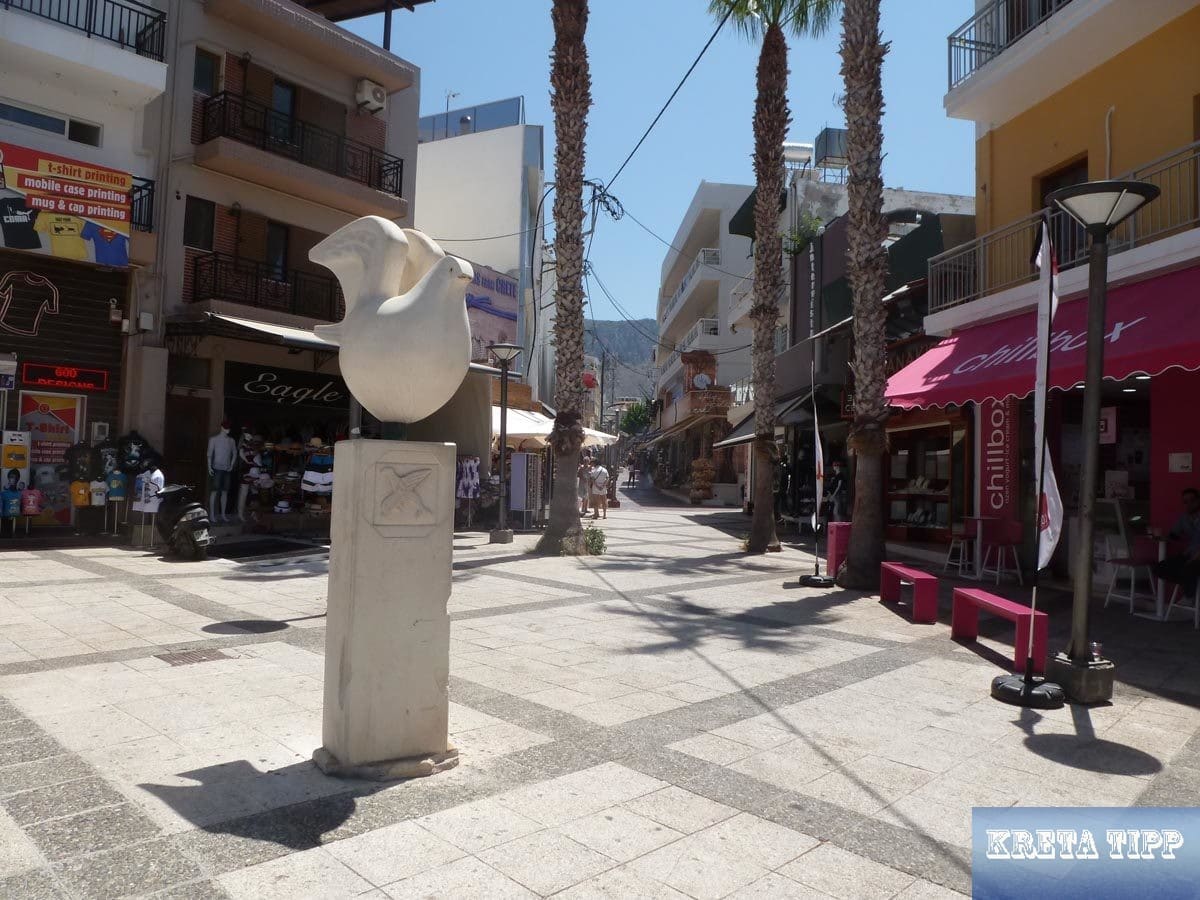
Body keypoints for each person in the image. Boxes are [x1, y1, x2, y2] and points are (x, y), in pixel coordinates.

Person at [1155, 487, 1200, 594]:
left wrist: (1194, 559)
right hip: (1189, 554)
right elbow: (1174, 535)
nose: (1189, 504)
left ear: (1198, 501)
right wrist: (1161, 537)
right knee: (1160, 567)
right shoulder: (1184, 518)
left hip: (1198, 556)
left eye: (1192, 500)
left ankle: (1189, 596)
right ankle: (1188, 583)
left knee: (1188, 569)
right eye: (1185, 502)